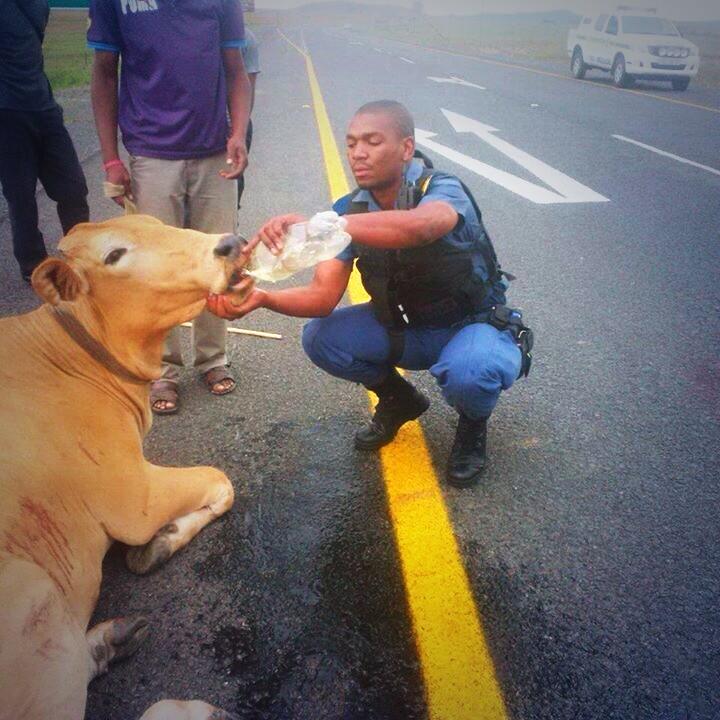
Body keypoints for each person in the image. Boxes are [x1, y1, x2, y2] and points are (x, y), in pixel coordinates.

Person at [208, 100, 532, 488]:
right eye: (351, 143)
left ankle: (473, 425)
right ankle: (399, 399)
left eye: (373, 141)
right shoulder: (348, 209)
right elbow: (322, 297)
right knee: (322, 338)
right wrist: (262, 297)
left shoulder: (440, 188)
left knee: (473, 373)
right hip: (409, 328)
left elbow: (422, 227)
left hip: (470, 325)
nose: (358, 153)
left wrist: (331, 225)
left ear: (406, 149)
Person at [88, 0, 252, 414]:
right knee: (155, 270)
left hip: (214, 150)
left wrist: (238, 131)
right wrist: (111, 157)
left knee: (221, 262)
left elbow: (236, 68)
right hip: (151, 153)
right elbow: (105, 74)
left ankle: (213, 358)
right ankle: (162, 369)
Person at [0, 0, 89, 283]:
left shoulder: (39, 5)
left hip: (44, 105)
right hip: (7, 111)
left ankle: (82, 258)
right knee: (21, 195)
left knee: (74, 188)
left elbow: (30, 48)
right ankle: (34, 267)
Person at [237, 27, 260, 211]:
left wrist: (238, 132)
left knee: (232, 184)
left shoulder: (245, 37)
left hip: (234, 125)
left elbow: (248, 92)